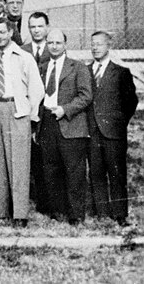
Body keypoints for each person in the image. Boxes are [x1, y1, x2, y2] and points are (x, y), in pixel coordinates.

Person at [0, 18, 43, 227]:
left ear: (10, 32)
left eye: (2, 32)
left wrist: (29, 114)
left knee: (18, 163)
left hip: (17, 110)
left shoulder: (24, 57)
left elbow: (36, 89)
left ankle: (19, 214)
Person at [36, 29, 93, 225]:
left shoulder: (78, 67)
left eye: (58, 43)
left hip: (70, 123)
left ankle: (75, 214)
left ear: (65, 45)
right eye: (50, 42)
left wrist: (65, 109)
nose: (54, 46)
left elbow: (86, 96)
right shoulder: (42, 67)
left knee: (74, 171)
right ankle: (57, 212)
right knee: (51, 169)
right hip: (47, 123)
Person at [87, 31, 139, 225]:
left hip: (113, 134)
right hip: (92, 132)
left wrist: (118, 122)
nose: (95, 48)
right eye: (93, 44)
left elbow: (131, 101)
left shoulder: (121, 72)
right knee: (96, 173)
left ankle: (119, 215)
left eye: (99, 44)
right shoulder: (85, 71)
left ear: (108, 46)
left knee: (117, 174)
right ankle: (101, 214)